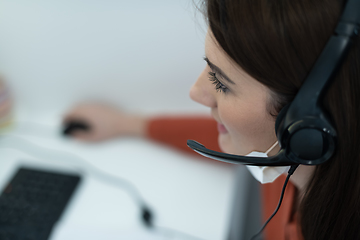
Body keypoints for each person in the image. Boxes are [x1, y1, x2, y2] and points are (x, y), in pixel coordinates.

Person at [63, 0, 360, 239]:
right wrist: (127, 124)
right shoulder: (279, 150)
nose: (196, 92)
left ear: (306, 123)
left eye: (221, 83)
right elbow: (224, 132)